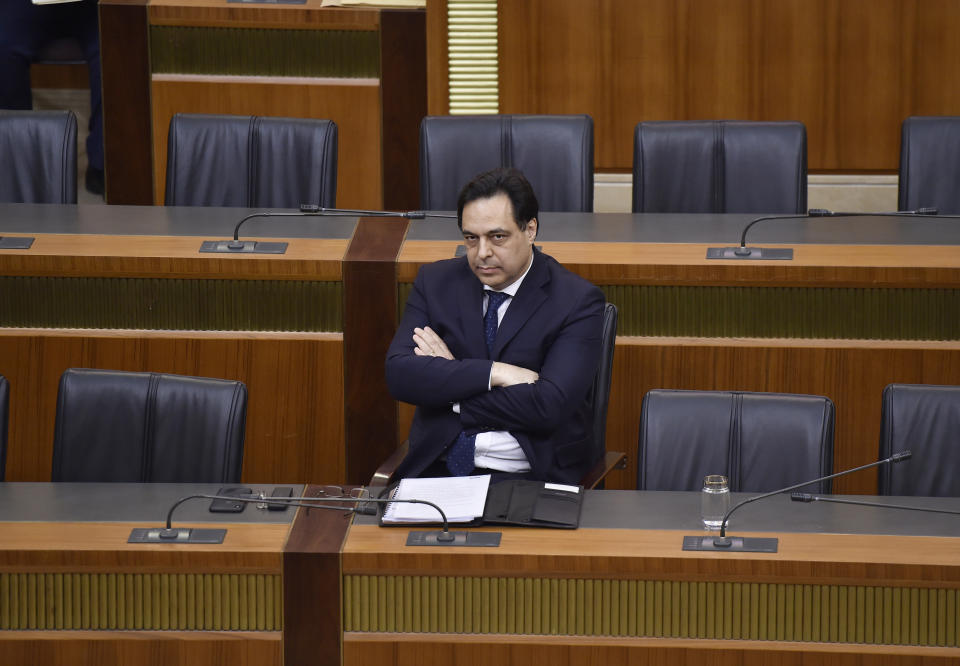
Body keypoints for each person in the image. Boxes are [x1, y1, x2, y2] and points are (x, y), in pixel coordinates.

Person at [385, 167, 605, 484]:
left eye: (497, 237)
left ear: (530, 230)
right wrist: (495, 373)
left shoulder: (576, 300)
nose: (482, 253)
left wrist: (452, 387)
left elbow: (548, 406)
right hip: (437, 468)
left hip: (530, 476)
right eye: (471, 238)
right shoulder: (435, 283)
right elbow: (400, 376)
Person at [0, 0, 104, 195]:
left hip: (94, 6)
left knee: (115, 40)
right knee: (3, 46)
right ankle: (17, 161)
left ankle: (102, 161)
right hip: (25, 5)